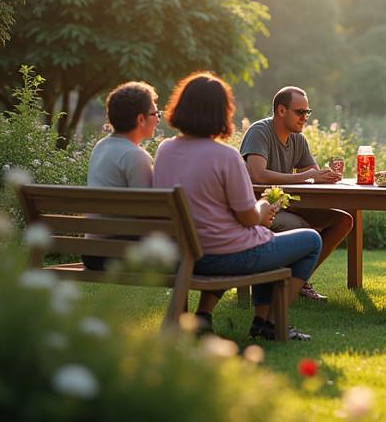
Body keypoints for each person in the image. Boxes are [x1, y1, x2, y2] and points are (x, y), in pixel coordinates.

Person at [153, 72, 321, 341]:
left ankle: (209, 316)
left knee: (264, 239)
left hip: (180, 254)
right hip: (222, 257)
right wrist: (264, 207)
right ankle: (274, 323)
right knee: (310, 239)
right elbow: (248, 217)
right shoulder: (225, 155)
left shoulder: (165, 150)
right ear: (222, 111)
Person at [240, 86, 353, 301]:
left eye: (307, 113)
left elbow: (312, 173)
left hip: (287, 204)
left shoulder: (297, 139)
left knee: (342, 220)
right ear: (281, 110)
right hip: (259, 209)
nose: (305, 118)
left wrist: (326, 176)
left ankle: (298, 281)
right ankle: (285, 285)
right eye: (299, 112)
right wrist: (308, 177)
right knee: (304, 229)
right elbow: (258, 175)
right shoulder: (259, 131)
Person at [83, 81, 161, 270]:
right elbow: (146, 213)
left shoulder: (101, 146)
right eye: (155, 114)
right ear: (140, 119)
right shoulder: (136, 156)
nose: (158, 120)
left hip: (91, 251)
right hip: (116, 253)